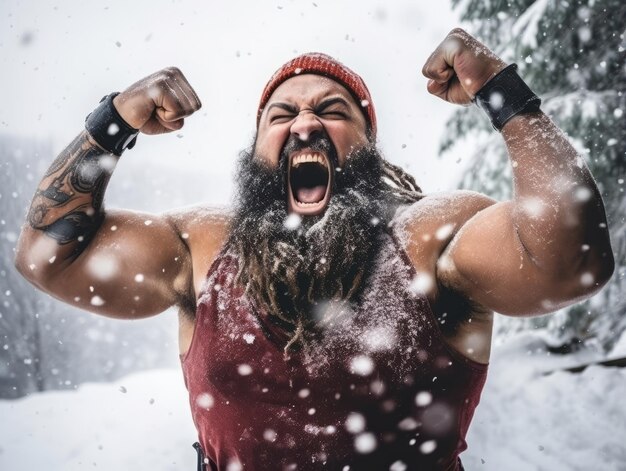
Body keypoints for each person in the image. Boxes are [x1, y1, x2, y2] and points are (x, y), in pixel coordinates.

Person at [14, 29, 614, 470]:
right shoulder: (202, 244)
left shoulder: (431, 236)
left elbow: (572, 260)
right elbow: (48, 256)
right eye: (282, 114)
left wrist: (501, 92)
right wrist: (111, 123)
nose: (305, 123)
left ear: (368, 147)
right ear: (256, 154)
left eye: (331, 110)